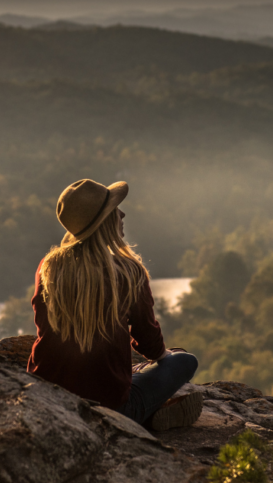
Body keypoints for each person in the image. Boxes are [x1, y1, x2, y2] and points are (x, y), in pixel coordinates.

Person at [27, 178, 202, 430]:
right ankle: (149, 417)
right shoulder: (128, 271)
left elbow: (43, 325)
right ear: (104, 222)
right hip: (109, 410)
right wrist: (164, 357)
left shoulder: (49, 267)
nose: (122, 213)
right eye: (114, 210)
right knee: (184, 361)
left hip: (47, 396)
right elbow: (147, 339)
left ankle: (149, 409)